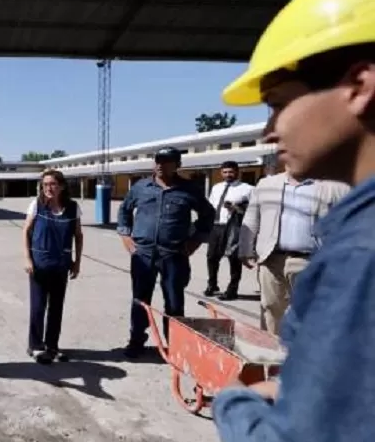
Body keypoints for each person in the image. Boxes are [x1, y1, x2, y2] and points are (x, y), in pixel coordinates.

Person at [213, 0, 375, 442]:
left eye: (279, 104)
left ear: (359, 85)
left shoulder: (364, 251)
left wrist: (233, 406)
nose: (267, 129)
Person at [116, 147, 216, 358]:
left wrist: (195, 241)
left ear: (177, 165)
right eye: (158, 160)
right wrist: (126, 237)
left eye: (167, 161)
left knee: (174, 301)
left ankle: (175, 343)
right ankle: (136, 340)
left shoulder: (189, 189)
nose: (160, 165)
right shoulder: (141, 187)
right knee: (140, 300)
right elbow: (124, 210)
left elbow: (208, 215)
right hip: (143, 253)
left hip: (174, 254)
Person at [238, 171, 348, 335]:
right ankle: (272, 353)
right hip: (272, 259)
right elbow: (252, 217)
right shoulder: (267, 185)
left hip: (311, 261)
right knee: (271, 309)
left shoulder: (334, 187)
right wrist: (245, 249)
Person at [22, 169, 83, 363]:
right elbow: (26, 232)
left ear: (62, 186)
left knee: (56, 308)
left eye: (53, 184)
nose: (48, 188)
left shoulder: (73, 208)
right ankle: (35, 346)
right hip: (39, 265)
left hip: (61, 265)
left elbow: (78, 236)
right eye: (45, 184)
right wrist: (28, 259)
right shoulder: (37, 205)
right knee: (38, 307)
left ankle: (52, 346)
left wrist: (77, 262)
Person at [204, 160, 254, 300]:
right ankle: (212, 285)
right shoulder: (216, 187)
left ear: (237, 172)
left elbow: (253, 210)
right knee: (212, 257)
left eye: (231, 172)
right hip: (216, 226)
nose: (228, 175)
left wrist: (237, 208)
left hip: (234, 227)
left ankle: (232, 290)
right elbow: (211, 205)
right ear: (221, 173)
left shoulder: (248, 189)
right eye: (225, 172)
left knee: (234, 259)